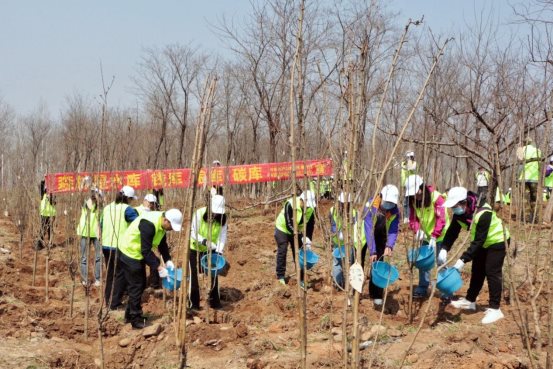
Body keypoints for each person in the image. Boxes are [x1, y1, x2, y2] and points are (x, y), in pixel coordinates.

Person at [443, 187, 510, 324]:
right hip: (482, 243)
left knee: (492, 272)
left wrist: (462, 260)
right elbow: (452, 232)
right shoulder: (460, 214)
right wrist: (444, 248)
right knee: (477, 270)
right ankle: (470, 300)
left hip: (497, 240)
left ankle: (495, 309)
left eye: (455, 206)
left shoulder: (483, 212)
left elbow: (478, 241)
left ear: (464, 202)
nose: (454, 209)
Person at [115, 209, 182, 329]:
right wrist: (159, 267)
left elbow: (162, 244)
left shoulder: (161, 224)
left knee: (140, 285)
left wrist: (168, 260)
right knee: (137, 285)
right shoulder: (149, 225)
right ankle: (135, 320)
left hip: (137, 253)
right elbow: (145, 251)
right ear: (166, 220)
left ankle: (129, 315)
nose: (171, 229)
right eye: (171, 226)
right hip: (129, 252)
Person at [405, 175, 449, 298]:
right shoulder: (413, 201)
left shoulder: (437, 197)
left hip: (440, 234)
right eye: (412, 194)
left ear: (422, 187)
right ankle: (423, 287)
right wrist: (418, 230)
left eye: (417, 193)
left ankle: (446, 289)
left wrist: (435, 236)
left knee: (441, 260)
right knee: (423, 261)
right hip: (424, 235)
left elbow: (441, 219)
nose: (415, 196)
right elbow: (413, 218)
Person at [101, 186, 139, 308]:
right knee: (120, 274)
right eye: (132, 199)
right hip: (119, 246)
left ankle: (108, 300)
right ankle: (114, 303)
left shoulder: (107, 208)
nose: (132, 201)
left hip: (106, 245)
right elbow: (138, 224)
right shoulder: (127, 209)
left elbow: (101, 224)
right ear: (128, 198)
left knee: (110, 273)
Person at [189, 194, 228, 310]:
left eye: (218, 213)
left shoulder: (222, 219)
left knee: (214, 276)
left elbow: (222, 235)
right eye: (214, 212)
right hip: (195, 249)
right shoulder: (199, 214)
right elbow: (192, 231)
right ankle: (194, 305)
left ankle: (215, 302)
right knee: (194, 278)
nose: (216, 215)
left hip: (212, 250)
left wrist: (219, 252)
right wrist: (204, 241)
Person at [364, 185, 400, 307]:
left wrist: (389, 245)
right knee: (357, 262)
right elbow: (368, 230)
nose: (388, 205)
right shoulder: (371, 206)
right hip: (363, 237)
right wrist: (372, 250)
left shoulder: (394, 211)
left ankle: (377, 294)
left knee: (378, 265)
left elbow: (393, 230)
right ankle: (353, 293)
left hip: (380, 237)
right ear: (381, 197)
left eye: (391, 203)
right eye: (387, 202)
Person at [274, 190, 316, 287]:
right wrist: (301, 237)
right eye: (306, 204)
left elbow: (310, 226)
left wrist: (308, 239)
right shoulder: (290, 204)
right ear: (301, 200)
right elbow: (289, 225)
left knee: (299, 253)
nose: (307, 207)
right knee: (283, 249)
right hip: (282, 229)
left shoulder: (310, 209)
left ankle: (300, 278)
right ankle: (280, 276)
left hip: (297, 231)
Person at [329, 192, 356, 288]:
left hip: (350, 242)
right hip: (338, 242)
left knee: (351, 263)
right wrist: (338, 233)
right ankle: (338, 284)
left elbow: (355, 227)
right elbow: (332, 225)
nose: (345, 206)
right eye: (343, 204)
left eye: (347, 204)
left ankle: (351, 284)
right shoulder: (333, 211)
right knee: (337, 263)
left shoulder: (353, 212)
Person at [77, 192, 102, 287]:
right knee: (84, 257)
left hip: (96, 234)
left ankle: (98, 279)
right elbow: (80, 196)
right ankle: (84, 279)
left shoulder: (100, 207)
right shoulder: (85, 205)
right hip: (85, 233)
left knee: (98, 257)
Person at [517, 137, 542, 222]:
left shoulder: (521, 150)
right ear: (531, 142)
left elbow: (519, 161)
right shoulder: (538, 150)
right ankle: (536, 218)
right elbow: (540, 165)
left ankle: (526, 219)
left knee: (525, 199)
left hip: (523, 178)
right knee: (534, 199)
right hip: (534, 178)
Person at [37, 180, 56, 250]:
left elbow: (53, 203)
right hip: (44, 214)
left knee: (50, 230)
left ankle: (50, 243)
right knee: (43, 229)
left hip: (51, 214)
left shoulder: (52, 194)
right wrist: (45, 180)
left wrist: (50, 197)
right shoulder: (42, 195)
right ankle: (39, 244)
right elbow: (40, 185)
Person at [401, 151, 417, 223]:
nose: (409, 158)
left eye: (410, 157)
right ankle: (406, 217)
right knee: (405, 202)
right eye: (407, 157)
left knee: (411, 201)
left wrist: (409, 162)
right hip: (405, 185)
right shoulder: (403, 163)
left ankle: (411, 217)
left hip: (412, 185)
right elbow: (402, 169)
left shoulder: (414, 163)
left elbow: (411, 168)